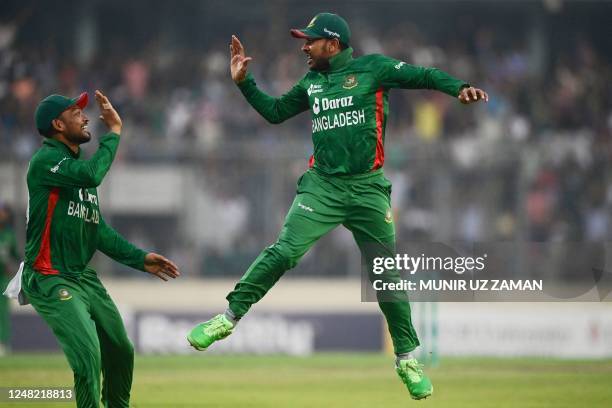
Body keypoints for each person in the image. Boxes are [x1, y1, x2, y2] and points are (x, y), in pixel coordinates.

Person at [187, 12, 487, 400]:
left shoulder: (374, 69)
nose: (303, 46)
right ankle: (227, 319)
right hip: (322, 186)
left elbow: (425, 76)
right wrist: (245, 84)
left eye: (310, 41)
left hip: (367, 189)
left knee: (385, 275)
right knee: (285, 252)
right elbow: (275, 113)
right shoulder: (312, 81)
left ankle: (408, 359)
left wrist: (459, 87)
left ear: (333, 44)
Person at [4, 90, 180, 407]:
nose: (86, 117)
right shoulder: (47, 161)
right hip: (49, 274)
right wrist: (113, 134)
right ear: (57, 124)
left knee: (120, 349)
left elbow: (95, 229)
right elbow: (92, 175)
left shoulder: (73, 167)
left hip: (82, 277)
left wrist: (140, 259)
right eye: (76, 112)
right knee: (87, 354)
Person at [0, 204, 19, 355]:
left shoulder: (9, 234)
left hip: (2, 280)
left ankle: (3, 344)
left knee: (3, 313)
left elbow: (14, 256)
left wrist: (15, 268)